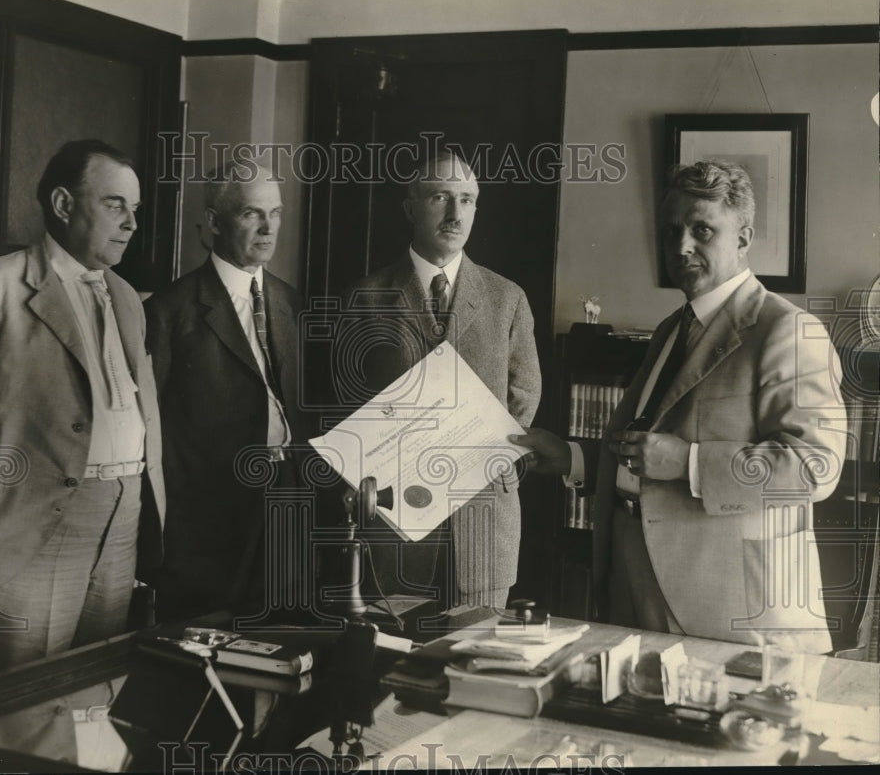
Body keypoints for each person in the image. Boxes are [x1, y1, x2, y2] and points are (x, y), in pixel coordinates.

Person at [512, 160, 845, 652]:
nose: (681, 246)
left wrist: (689, 462)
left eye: (702, 230)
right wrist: (573, 459)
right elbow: (649, 449)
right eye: (671, 231)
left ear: (743, 238)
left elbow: (817, 466)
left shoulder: (787, 330)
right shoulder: (672, 329)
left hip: (731, 609)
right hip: (635, 586)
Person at [0, 139, 165, 671]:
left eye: (135, 209)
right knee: (23, 698)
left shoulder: (128, 297)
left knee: (94, 684)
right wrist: (1, 473)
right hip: (33, 522)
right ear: (64, 205)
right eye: (115, 205)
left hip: (121, 514)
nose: (131, 223)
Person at [336, 149, 541, 610]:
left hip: (483, 524)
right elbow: (345, 409)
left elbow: (523, 401)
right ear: (410, 207)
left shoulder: (506, 298)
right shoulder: (365, 299)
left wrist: (475, 457)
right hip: (395, 528)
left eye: (467, 200)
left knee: (477, 664)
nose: (455, 213)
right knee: (392, 663)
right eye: (440, 198)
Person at [144, 162, 307, 622]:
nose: (268, 228)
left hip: (286, 517)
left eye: (275, 213)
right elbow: (152, 439)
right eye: (252, 214)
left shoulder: (294, 304)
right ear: (214, 222)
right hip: (208, 531)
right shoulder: (169, 311)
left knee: (282, 652)